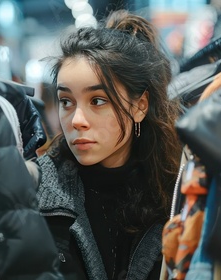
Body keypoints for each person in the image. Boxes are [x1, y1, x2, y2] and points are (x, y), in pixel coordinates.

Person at [36, 9, 181, 280]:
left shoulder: (174, 192)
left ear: (140, 106)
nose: (77, 120)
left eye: (98, 101)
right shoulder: (37, 189)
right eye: (66, 102)